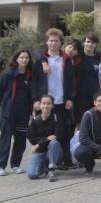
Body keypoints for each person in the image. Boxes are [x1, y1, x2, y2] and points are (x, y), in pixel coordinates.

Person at [31, 28, 76, 169]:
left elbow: (72, 81)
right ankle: (44, 160)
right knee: (44, 132)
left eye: (56, 41)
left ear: (60, 42)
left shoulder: (66, 60)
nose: (53, 43)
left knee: (64, 132)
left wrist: (70, 98)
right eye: (51, 40)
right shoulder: (41, 61)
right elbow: (34, 82)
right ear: (47, 42)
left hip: (61, 101)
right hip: (45, 103)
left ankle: (64, 160)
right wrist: (35, 100)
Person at [0, 49, 34, 176]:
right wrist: (6, 105)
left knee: (21, 139)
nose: (24, 60)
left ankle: (15, 165)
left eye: (26, 57)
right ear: (16, 59)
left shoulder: (29, 75)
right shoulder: (8, 74)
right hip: (9, 112)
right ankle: (0, 166)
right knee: (5, 138)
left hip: (23, 112)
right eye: (22, 57)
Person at [26, 95, 62, 181]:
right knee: (32, 175)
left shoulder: (57, 118)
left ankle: (51, 169)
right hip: (40, 152)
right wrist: (46, 139)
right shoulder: (34, 120)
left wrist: (39, 144)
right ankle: (45, 166)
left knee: (54, 142)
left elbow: (58, 136)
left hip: (55, 151)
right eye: (44, 103)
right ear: (40, 105)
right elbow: (31, 138)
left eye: (49, 103)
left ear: (52, 105)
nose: (46, 106)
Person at [74, 33, 101, 126]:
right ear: (83, 43)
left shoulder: (98, 58)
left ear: (96, 44)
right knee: (81, 122)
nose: (90, 44)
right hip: (80, 95)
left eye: (93, 42)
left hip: (94, 95)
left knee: (94, 122)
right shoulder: (78, 56)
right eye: (88, 42)